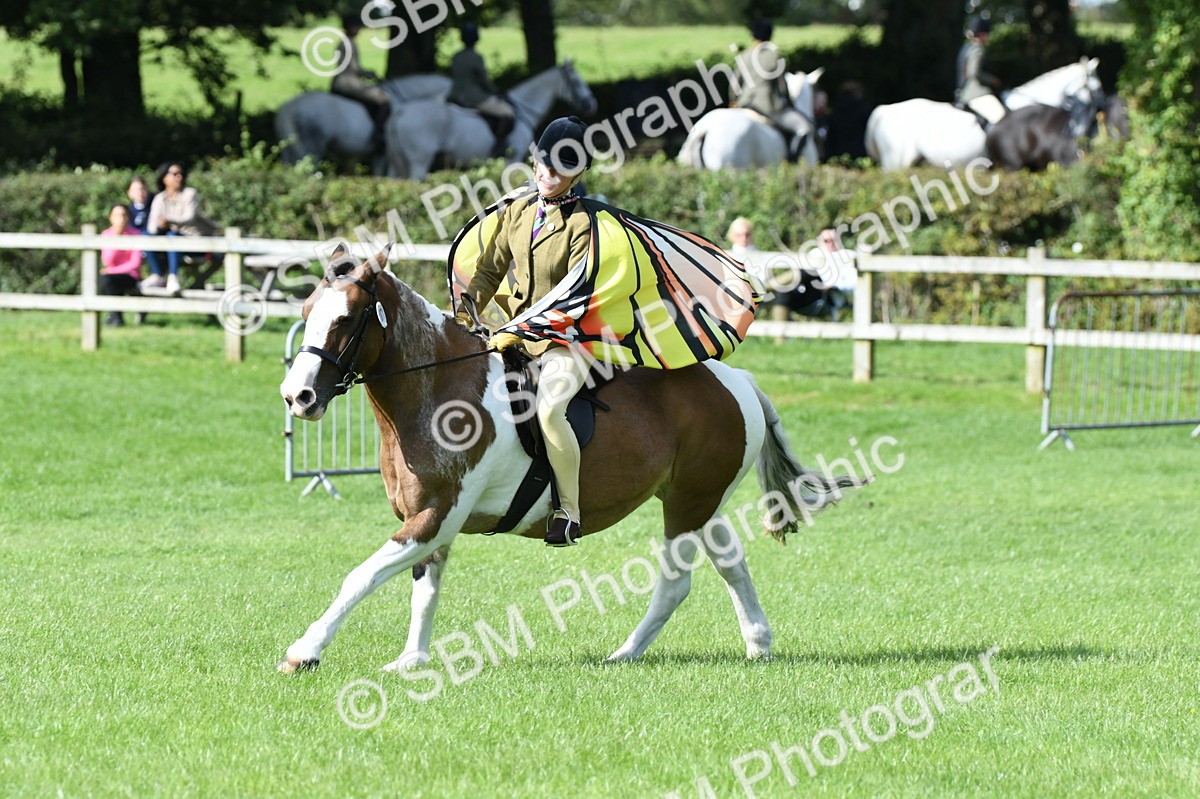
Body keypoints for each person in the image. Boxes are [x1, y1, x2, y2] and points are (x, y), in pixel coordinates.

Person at [450, 116, 760, 547]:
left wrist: (520, 330)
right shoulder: (517, 213)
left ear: (578, 173)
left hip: (568, 341)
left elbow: (570, 296)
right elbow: (488, 271)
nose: (546, 175)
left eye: (558, 169)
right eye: (541, 164)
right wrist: (465, 316)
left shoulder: (585, 226)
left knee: (549, 409)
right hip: (512, 334)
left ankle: (568, 511)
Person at [732, 18, 808, 161]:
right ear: (770, 36)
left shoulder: (743, 55)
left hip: (743, 104)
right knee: (803, 128)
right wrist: (790, 105)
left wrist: (734, 102)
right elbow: (782, 87)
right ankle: (791, 162)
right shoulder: (775, 56)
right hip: (766, 106)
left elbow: (734, 86)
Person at [141, 161, 220, 294]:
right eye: (175, 174)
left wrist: (169, 222)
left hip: (197, 243)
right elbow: (152, 226)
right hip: (172, 244)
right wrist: (160, 227)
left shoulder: (190, 194)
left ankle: (173, 277)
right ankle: (157, 275)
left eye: (181, 174)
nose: (180, 177)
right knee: (147, 236)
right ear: (164, 178)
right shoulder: (159, 199)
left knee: (172, 236)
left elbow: (189, 217)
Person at [447, 22, 515, 158]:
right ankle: (499, 145)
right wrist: (497, 91)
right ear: (476, 38)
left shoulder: (456, 56)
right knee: (508, 113)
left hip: (454, 95)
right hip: (473, 97)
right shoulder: (476, 57)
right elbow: (484, 81)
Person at [331, 13, 391, 151]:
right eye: (357, 27)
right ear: (351, 28)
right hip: (348, 82)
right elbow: (354, 68)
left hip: (344, 80)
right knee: (384, 100)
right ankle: (378, 135)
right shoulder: (348, 43)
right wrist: (370, 74)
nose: (359, 30)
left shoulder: (344, 42)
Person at [956, 16, 1006, 126]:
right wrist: (994, 80)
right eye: (987, 35)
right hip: (976, 93)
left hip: (963, 92)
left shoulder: (966, 48)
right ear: (983, 34)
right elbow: (974, 73)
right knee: (1002, 118)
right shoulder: (978, 49)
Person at [99, 204, 143, 327]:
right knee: (107, 280)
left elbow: (135, 264)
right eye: (117, 215)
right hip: (112, 275)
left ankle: (115, 317)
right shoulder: (106, 235)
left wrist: (112, 271)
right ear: (110, 218)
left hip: (130, 276)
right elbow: (107, 261)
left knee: (108, 279)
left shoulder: (136, 234)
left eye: (124, 215)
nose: (121, 219)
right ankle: (115, 316)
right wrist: (116, 237)